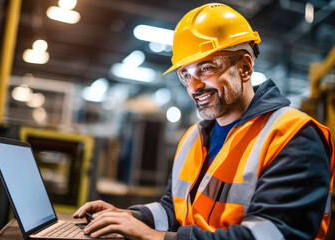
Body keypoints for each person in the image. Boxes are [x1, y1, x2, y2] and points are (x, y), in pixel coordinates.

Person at [73, 3, 335, 240]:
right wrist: (131, 217)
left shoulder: (293, 137)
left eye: (207, 68)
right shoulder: (194, 137)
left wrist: (154, 237)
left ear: (245, 67)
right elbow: (176, 210)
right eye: (185, 74)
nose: (194, 87)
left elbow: (270, 234)